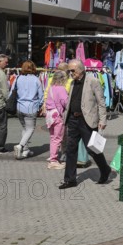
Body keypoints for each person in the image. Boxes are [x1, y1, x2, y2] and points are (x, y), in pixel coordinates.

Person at [59, 59, 111, 189]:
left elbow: (101, 102)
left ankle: (105, 169)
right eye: (70, 71)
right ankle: (70, 180)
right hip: (73, 119)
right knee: (71, 149)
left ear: (81, 69)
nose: (71, 73)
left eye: (73, 70)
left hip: (86, 120)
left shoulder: (93, 81)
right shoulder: (72, 82)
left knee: (92, 149)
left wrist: (103, 120)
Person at [12, 60, 43, 160]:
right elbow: (41, 96)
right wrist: (40, 105)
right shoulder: (36, 80)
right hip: (31, 107)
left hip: (19, 106)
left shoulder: (18, 78)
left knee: (25, 128)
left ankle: (25, 150)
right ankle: (20, 146)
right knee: (30, 129)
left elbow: (11, 92)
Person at [44, 70, 68, 169]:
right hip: (58, 115)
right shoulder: (61, 89)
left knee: (53, 137)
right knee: (57, 138)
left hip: (50, 115)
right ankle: (53, 160)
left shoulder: (51, 88)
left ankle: (53, 157)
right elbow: (65, 102)